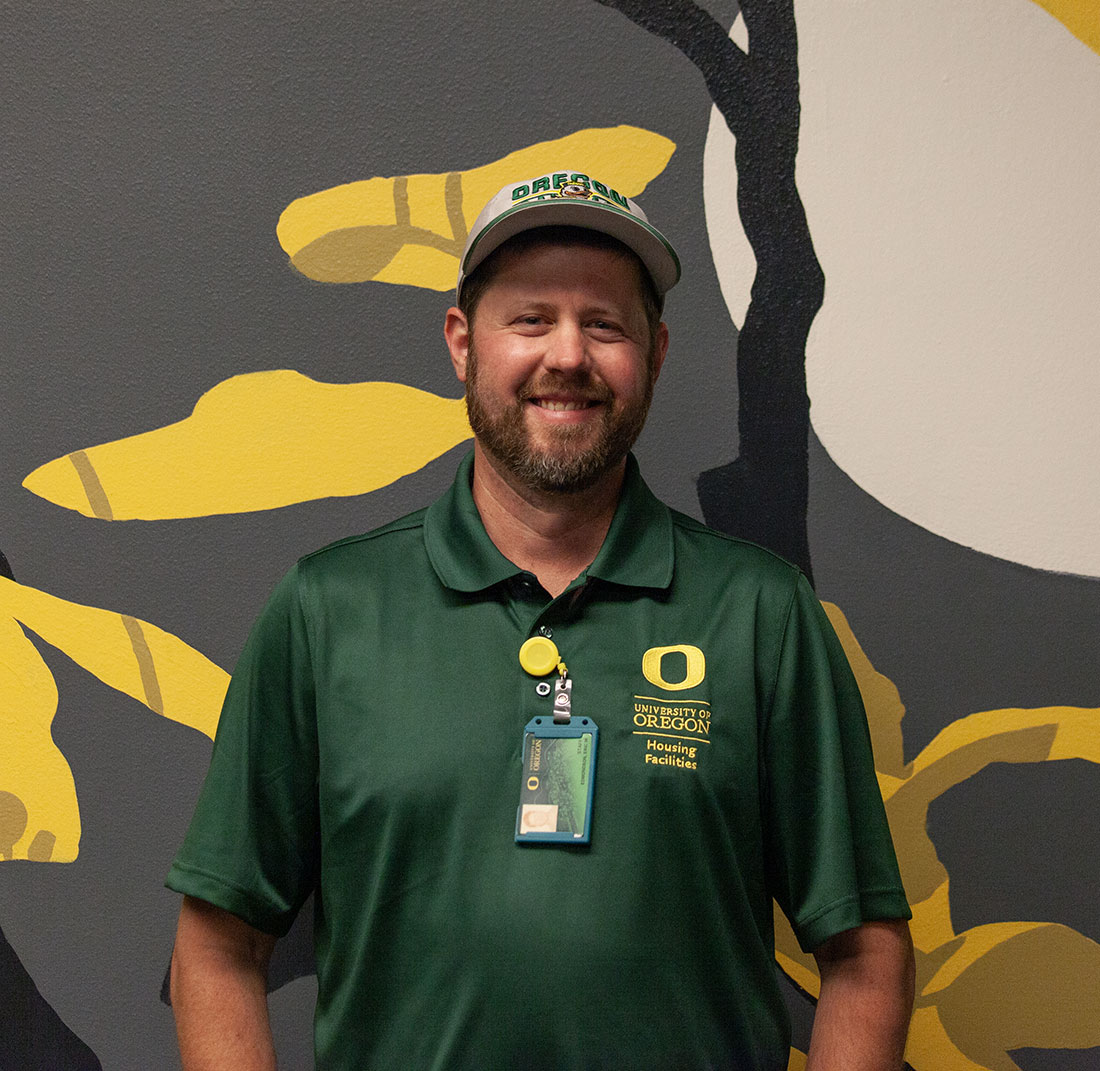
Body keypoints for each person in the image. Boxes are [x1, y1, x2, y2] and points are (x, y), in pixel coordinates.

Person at [167, 169, 914, 1070]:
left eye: (604, 324)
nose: (569, 355)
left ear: (657, 353)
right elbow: (215, 944)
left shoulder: (762, 613)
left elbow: (865, 952)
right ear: (461, 342)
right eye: (530, 319)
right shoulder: (327, 610)